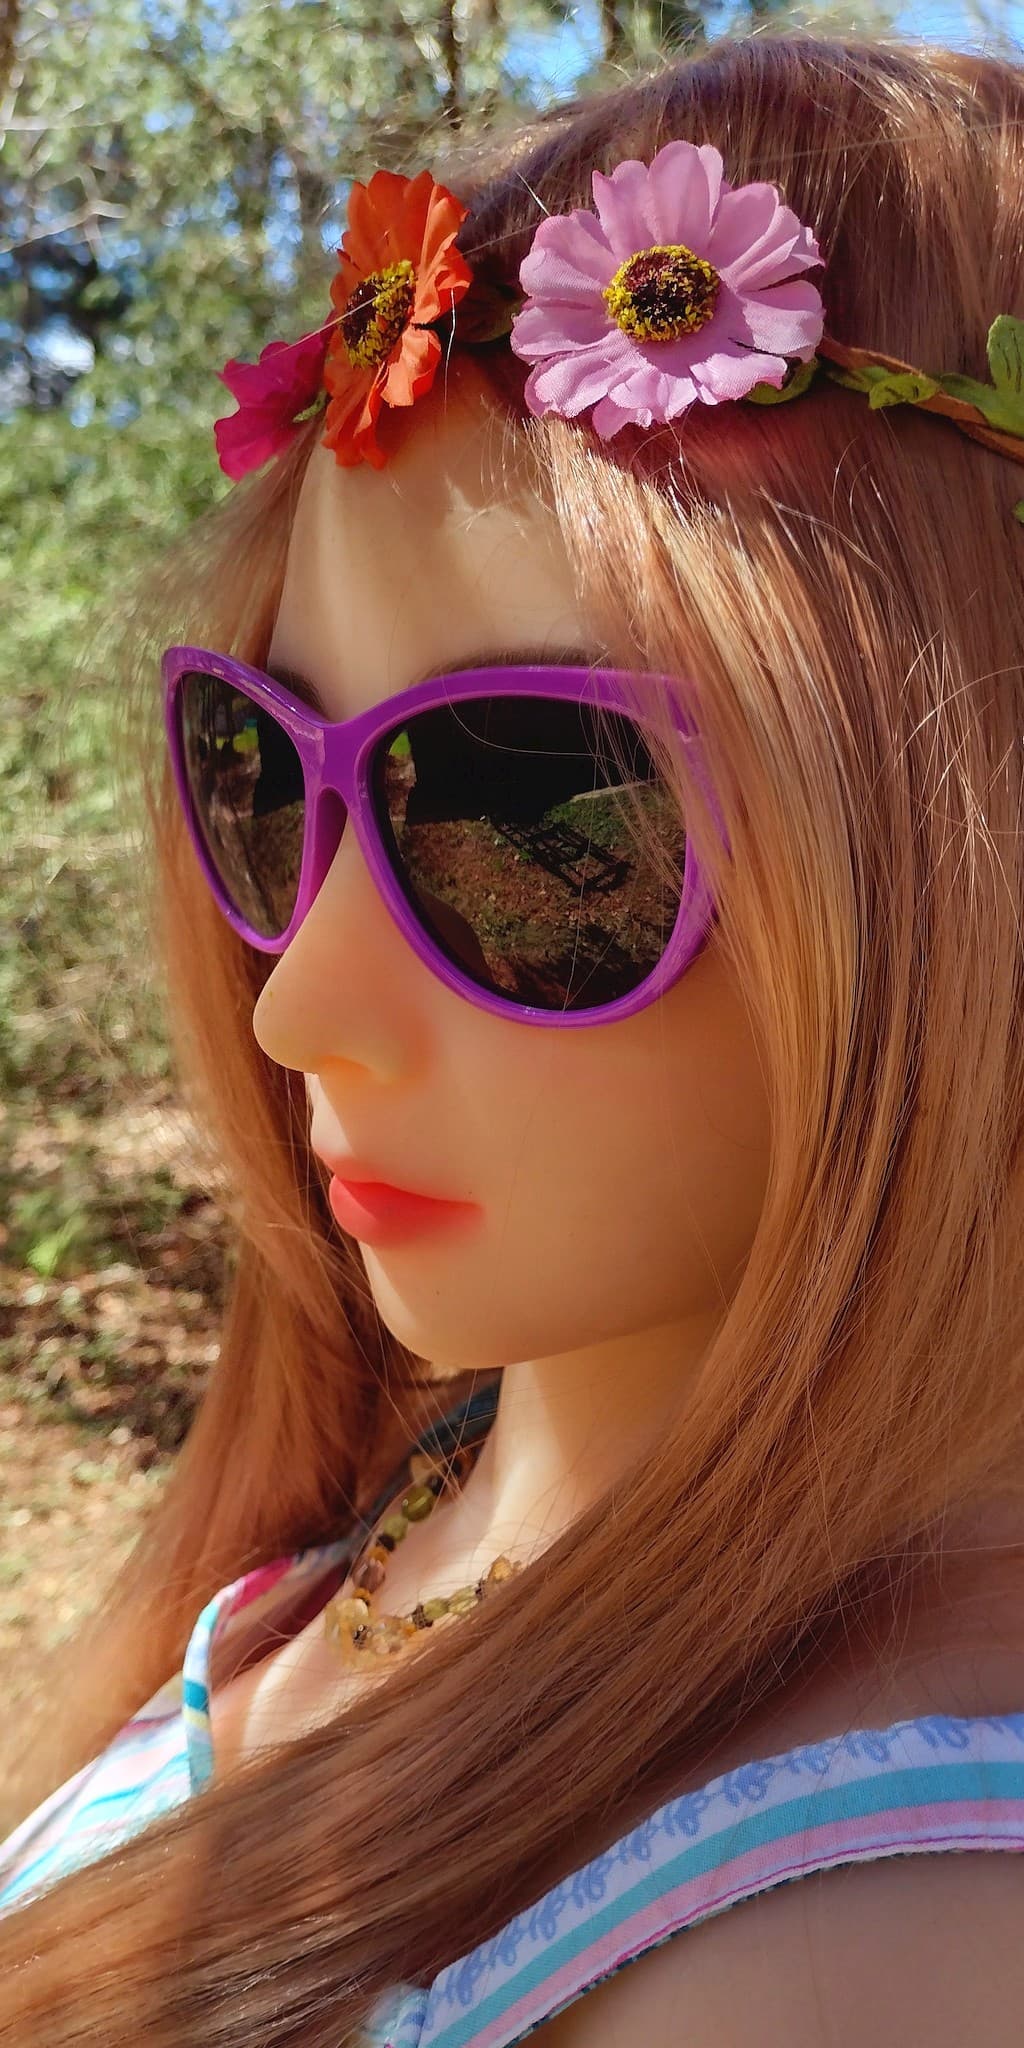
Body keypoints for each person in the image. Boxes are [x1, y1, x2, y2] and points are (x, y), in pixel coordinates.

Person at [2, 27, 1024, 2045]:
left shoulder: (860, 1957)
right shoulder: (407, 1516)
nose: (298, 998)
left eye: (537, 811)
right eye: (259, 768)